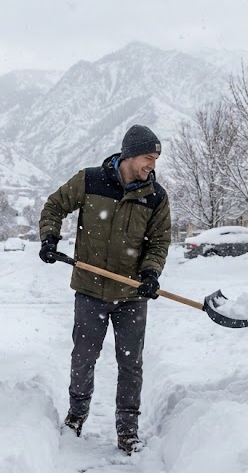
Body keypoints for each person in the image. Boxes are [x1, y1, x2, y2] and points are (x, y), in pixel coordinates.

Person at [37, 124, 171, 454]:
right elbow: (55, 206)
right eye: (147, 157)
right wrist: (50, 238)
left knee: (131, 364)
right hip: (90, 290)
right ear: (128, 155)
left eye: (155, 159)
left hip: (131, 295)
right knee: (83, 357)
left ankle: (127, 429)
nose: (151, 164)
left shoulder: (155, 197)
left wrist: (151, 273)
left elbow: (159, 241)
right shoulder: (90, 180)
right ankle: (77, 415)